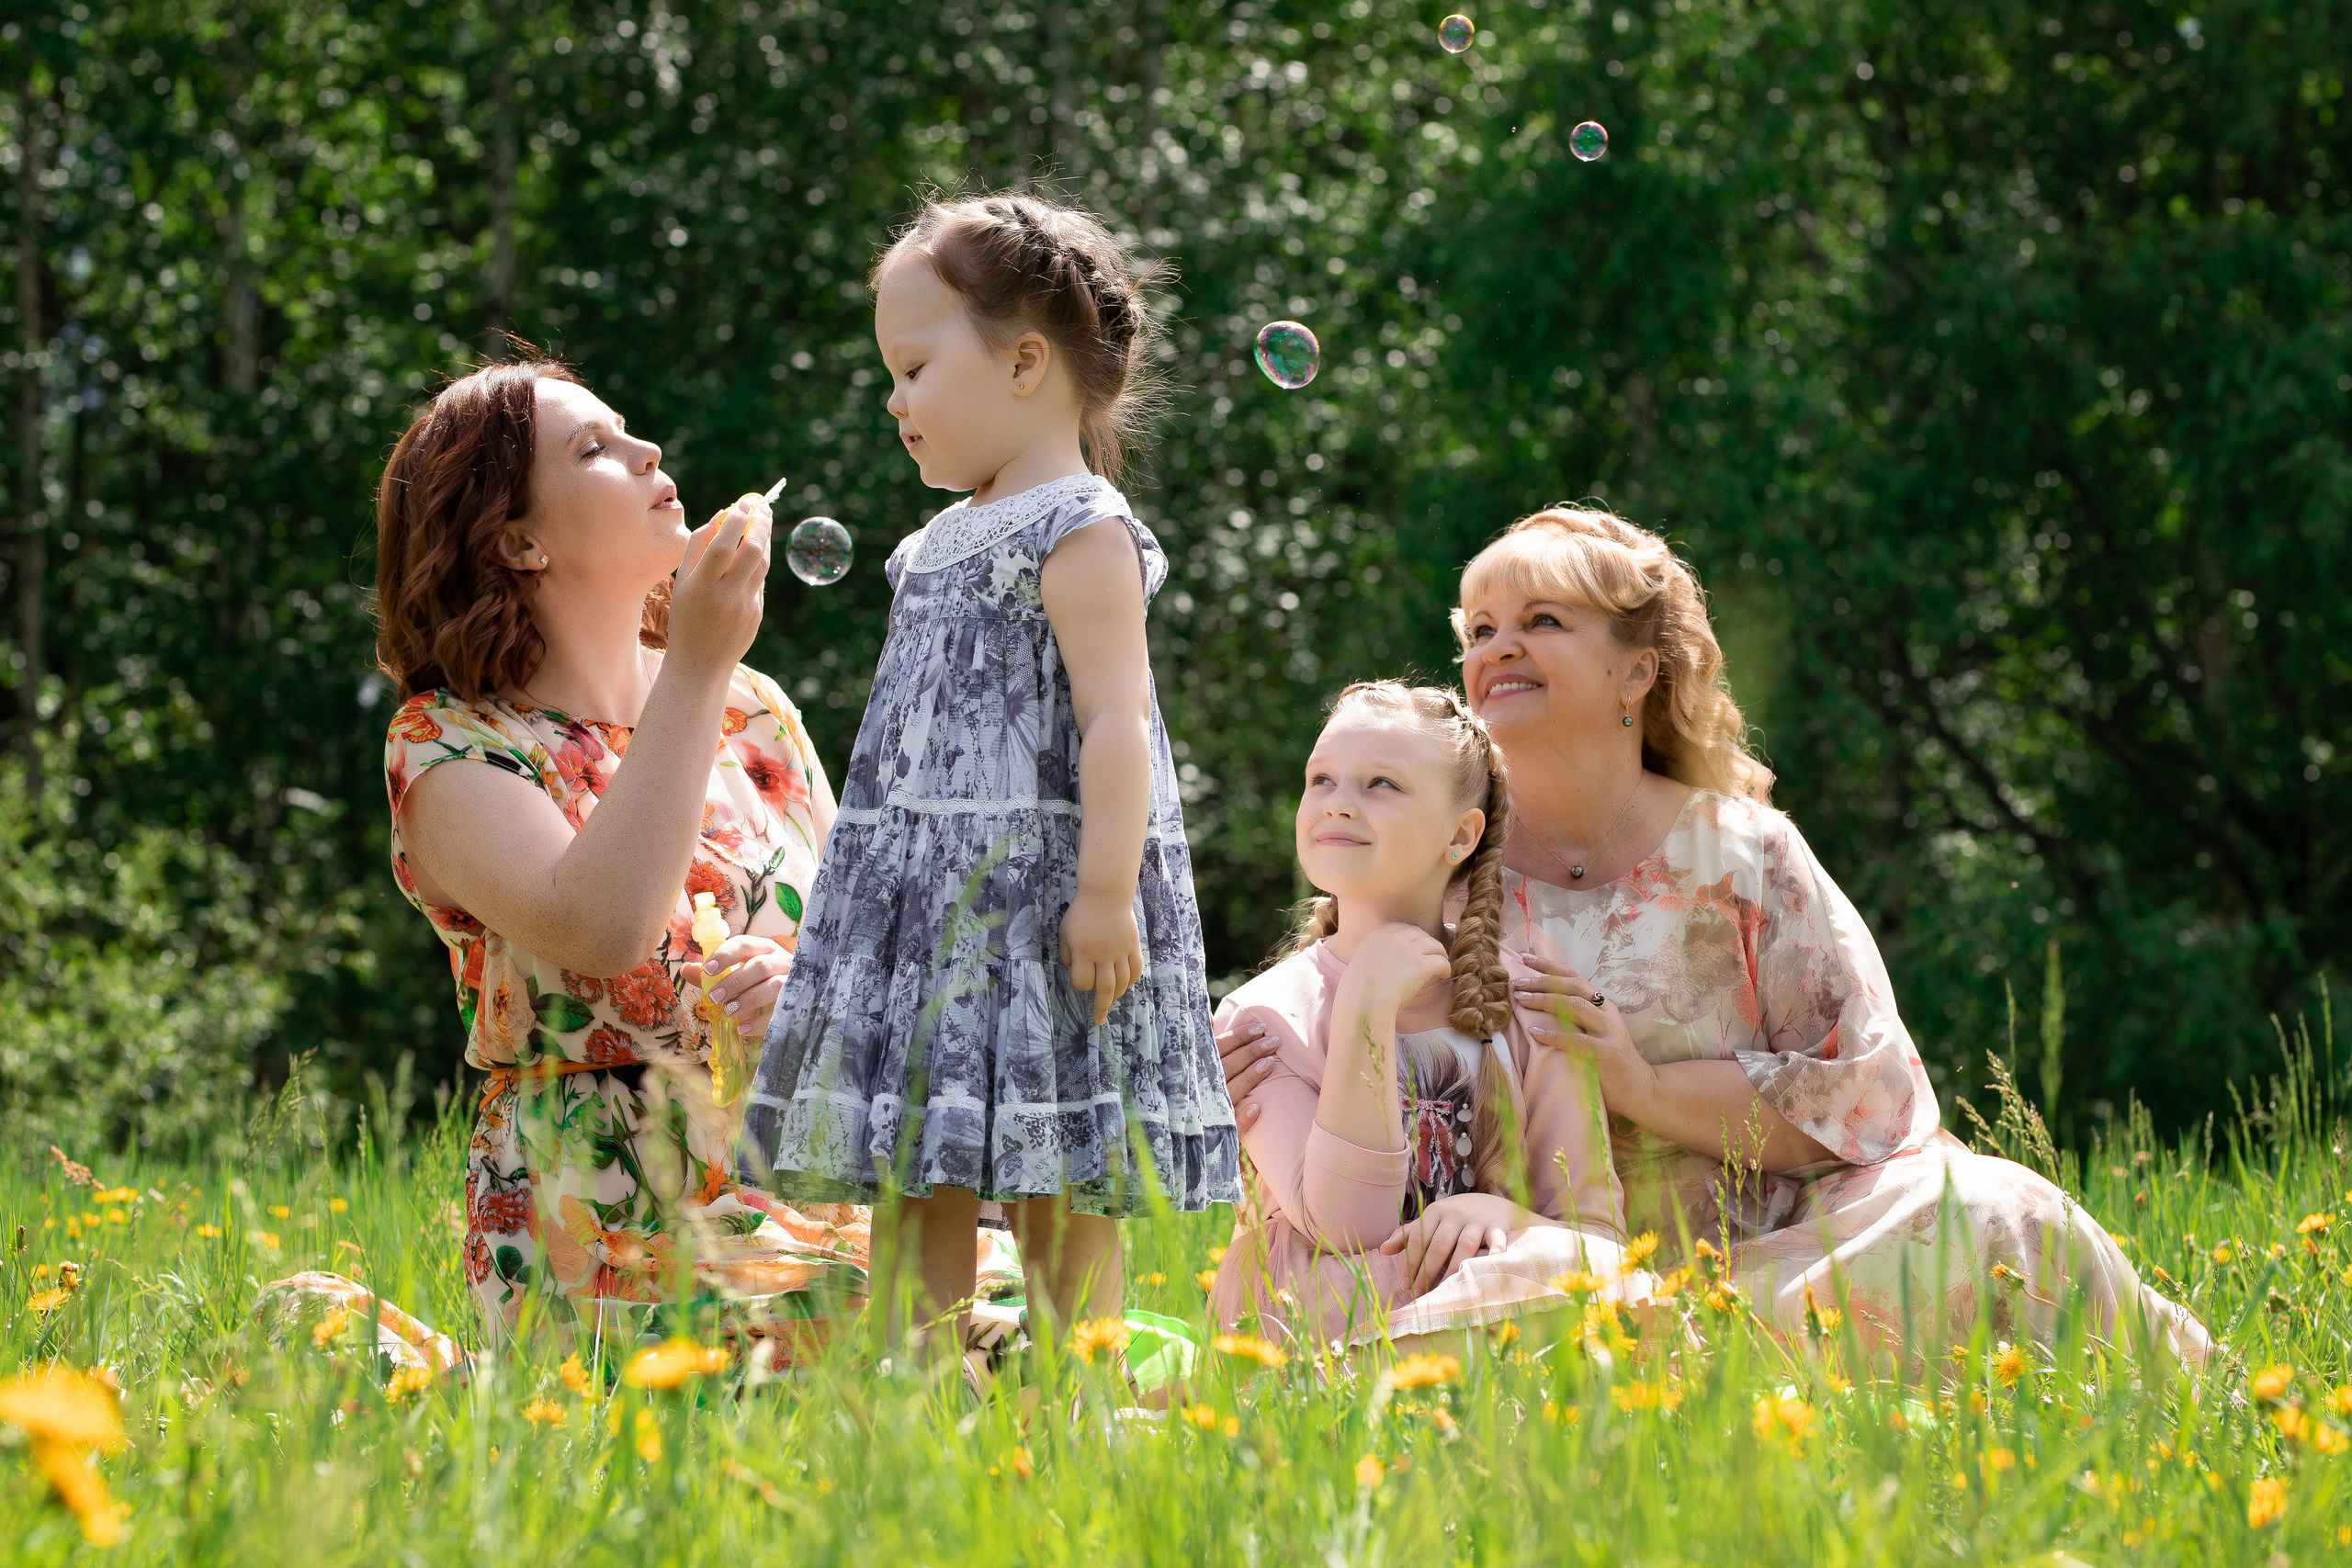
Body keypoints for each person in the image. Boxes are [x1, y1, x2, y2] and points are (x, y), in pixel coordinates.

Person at [1221, 508, 2211, 1364]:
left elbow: (1867, 1102)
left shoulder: (1740, 853)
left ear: (1636, 672)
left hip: (1781, 1246)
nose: (1495, 648)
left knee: (1996, 1213)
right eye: (1479, 629)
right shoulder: (1431, 858)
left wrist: (1641, 1088)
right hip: (1530, 1263)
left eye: (1542, 622)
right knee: (1531, 1317)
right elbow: (1346, 1060)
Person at [742, 192, 1239, 1356]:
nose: (893, 398)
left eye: (914, 368)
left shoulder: (1079, 524)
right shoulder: (932, 544)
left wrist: (1107, 893)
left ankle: (1081, 1392)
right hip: (924, 904)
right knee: (920, 1156)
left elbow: (1118, 714)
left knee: (1055, 1163)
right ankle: (918, 1400)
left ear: (1025, 362)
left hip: (1038, 900)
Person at [376, 356, 865, 1346]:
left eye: (628, 428)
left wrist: (810, 992)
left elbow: (876, 953)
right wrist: (696, 662)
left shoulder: (753, 709)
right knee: (920, 1349)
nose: (648, 452)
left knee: (1036, 1328)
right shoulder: (450, 744)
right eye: (594, 449)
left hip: (810, 1183)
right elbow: (603, 928)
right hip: (604, 1220)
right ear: (517, 539)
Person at [1208, 682, 1647, 1349]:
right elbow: (1345, 1228)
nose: (1339, 803)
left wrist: (1501, 1213)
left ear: (1460, 835)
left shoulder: (1529, 1000)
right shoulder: (1266, 1014)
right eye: (1321, 779)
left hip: (1495, 1287)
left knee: (1626, 1284)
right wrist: (1365, 1006)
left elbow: (1594, 1234)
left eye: (1381, 783)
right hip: (1330, 1311)